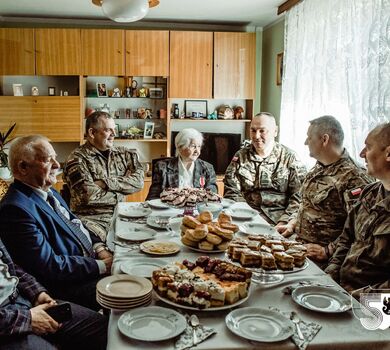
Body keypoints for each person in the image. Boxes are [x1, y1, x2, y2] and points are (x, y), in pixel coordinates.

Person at [0, 135, 112, 311]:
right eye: (47, 160)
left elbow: (76, 225)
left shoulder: (48, 191)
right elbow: (50, 266)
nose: (58, 165)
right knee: (136, 288)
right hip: (68, 285)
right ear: (23, 167)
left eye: (55, 157)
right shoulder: (15, 210)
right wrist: (102, 266)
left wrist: (100, 248)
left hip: (88, 264)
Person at [278, 116, 373, 267]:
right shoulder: (319, 167)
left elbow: (361, 228)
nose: (305, 142)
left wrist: (327, 251)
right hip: (298, 246)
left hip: (324, 259)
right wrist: (292, 223)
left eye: (309, 138)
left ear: (324, 139)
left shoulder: (354, 177)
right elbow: (307, 204)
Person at [0, 238, 108, 350]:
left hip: (22, 300)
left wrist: (37, 293)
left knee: (105, 330)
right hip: (6, 321)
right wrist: (28, 319)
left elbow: (11, 267)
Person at [325, 123, 390, 296]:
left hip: (375, 308)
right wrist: (330, 274)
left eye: (368, 147)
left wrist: (356, 298)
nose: (361, 154)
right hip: (344, 290)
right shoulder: (369, 193)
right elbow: (347, 239)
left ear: (388, 153)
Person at [63, 111, 144, 241]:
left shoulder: (124, 154)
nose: (114, 134)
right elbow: (89, 196)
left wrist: (105, 183)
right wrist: (122, 190)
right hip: (92, 221)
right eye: (108, 130)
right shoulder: (77, 159)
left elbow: (139, 182)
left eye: (114, 129)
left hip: (121, 214)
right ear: (91, 133)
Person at [224, 112, 306, 226]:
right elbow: (231, 191)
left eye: (262, 131)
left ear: (275, 131)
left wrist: (285, 221)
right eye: (253, 130)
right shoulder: (241, 156)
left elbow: (300, 196)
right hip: (246, 218)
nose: (256, 136)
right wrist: (246, 216)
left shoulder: (290, 158)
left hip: (280, 220)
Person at [146, 128, 218, 200]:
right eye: (193, 146)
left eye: (199, 146)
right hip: (170, 209)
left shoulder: (207, 168)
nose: (197, 151)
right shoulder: (162, 167)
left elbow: (212, 196)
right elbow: (152, 198)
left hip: (198, 210)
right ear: (180, 147)